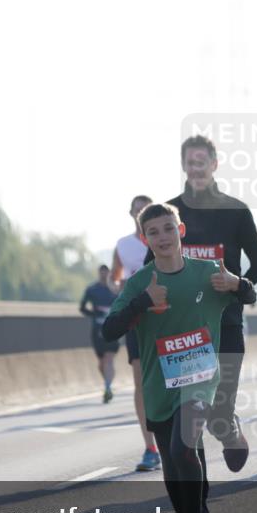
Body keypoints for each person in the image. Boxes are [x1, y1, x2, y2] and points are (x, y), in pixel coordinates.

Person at [102, 203, 256, 513]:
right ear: (144, 239)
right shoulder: (141, 282)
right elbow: (109, 329)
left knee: (183, 446)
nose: (162, 237)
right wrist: (142, 303)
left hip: (201, 380)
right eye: (153, 232)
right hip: (160, 386)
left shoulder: (207, 273)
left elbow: (249, 297)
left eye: (168, 229)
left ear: (181, 231)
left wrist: (237, 284)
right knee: (174, 463)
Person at [152, 135, 257, 473]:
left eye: (202, 162)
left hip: (226, 322)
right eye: (190, 163)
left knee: (217, 412)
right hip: (181, 331)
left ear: (214, 164)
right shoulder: (170, 213)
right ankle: (196, 504)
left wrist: (236, 284)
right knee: (188, 419)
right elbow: (151, 266)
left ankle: (228, 426)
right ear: (183, 166)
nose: (196, 168)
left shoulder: (236, 211)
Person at [111, 195, 160, 471]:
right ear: (131, 213)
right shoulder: (124, 245)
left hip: (166, 317)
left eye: (146, 207)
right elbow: (115, 276)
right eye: (137, 209)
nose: (141, 212)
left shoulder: (166, 238)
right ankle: (150, 448)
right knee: (141, 381)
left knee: (170, 379)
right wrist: (118, 287)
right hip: (137, 318)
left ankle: (178, 440)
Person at [80, 265, 119, 403]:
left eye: (105, 273)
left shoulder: (115, 289)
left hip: (113, 328)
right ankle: (108, 384)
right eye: (101, 273)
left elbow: (124, 305)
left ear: (109, 273)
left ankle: (108, 387)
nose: (103, 275)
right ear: (99, 273)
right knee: (102, 363)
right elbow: (82, 307)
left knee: (109, 358)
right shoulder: (92, 290)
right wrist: (94, 314)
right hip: (97, 330)